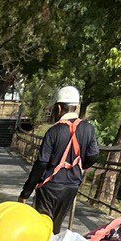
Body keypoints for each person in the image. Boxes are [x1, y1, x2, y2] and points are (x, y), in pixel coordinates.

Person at [19, 85, 100, 233]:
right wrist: (80, 166)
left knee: (41, 228)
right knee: (55, 227)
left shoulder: (53, 131)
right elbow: (94, 155)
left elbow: (41, 163)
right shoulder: (89, 129)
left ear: (58, 108)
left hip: (49, 187)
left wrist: (26, 192)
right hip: (71, 186)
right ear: (76, 107)